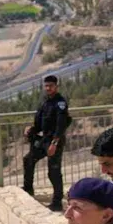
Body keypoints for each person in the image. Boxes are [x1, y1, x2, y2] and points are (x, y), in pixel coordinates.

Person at [23, 75, 70, 210]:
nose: (48, 88)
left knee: (53, 172)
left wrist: (54, 143)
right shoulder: (45, 102)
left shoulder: (60, 103)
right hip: (44, 140)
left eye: (51, 86)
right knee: (28, 160)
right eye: (46, 85)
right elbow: (40, 123)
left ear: (56, 86)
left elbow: (61, 125)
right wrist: (31, 129)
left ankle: (57, 202)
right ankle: (28, 189)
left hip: (55, 141)